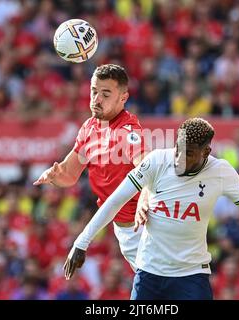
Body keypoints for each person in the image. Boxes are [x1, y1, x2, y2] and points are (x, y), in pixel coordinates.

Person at [63, 118, 239, 300]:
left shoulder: (221, 171)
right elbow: (115, 200)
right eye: (178, 149)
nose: (179, 158)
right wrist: (82, 242)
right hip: (150, 272)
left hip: (191, 274)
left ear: (206, 151)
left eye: (189, 154)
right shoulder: (157, 161)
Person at [33, 64, 149, 271]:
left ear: (123, 98)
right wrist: (55, 176)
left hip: (145, 229)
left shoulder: (127, 130)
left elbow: (147, 166)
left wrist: (147, 196)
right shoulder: (89, 128)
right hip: (122, 230)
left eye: (105, 94)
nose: (97, 99)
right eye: (94, 91)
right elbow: (70, 175)